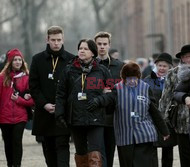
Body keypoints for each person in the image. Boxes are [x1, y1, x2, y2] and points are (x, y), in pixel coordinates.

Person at [87, 62, 170, 167]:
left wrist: (164, 131)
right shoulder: (117, 89)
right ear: (124, 78)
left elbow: (154, 111)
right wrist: (98, 101)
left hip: (145, 135)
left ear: (138, 77)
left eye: (134, 78)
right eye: (128, 78)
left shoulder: (145, 88)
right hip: (125, 137)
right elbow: (108, 100)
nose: (131, 81)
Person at [55, 38, 111, 167]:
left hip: (95, 117)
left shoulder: (102, 71)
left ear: (93, 53)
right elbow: (61, 94)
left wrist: (100, 100)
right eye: (80, 48)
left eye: (86, 49)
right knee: (80, 152)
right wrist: (59, 113)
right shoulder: (69, 70)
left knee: (95, 152)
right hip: (76, 117)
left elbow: (112, 93)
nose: (82, 51)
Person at [29, 26, 74, 167]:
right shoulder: (37, 59)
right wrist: (44, 104)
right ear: (47, 40)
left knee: (62, 147)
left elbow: (74, 86)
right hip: (44, 113)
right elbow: (33, 86)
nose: (56, 43)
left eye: (59, 40)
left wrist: (61, 106)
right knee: (48, 150)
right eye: (53, 40)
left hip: (63, 113)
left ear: (63, 39)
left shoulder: (71, 60)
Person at [159, 44, 190, 167]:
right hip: (180, 119)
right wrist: (162, 120)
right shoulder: (173, 73)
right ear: (182, 58)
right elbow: (166, 97)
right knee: (185, 156)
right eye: (187, 56)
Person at [94, 31, 124, 167]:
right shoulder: (89, 65)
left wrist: (112, 92)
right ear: (95, 45)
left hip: (113, 116)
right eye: (99, 44)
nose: (102, 47)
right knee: (96, 154)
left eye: (104, 44)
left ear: (109, 45)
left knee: (110, 151)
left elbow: (124, 89)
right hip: (94, 115)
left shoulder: (119, 66)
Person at [0, 48, 34, 167]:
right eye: (15, 60)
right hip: (4, 116)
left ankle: (17, 165)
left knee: (17, 141)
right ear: (10, 62)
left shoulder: (27, 77)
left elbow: (32, 100)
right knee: (8, 143)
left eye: (20, 59)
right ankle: (10, 164)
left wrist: (19, 100)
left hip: (21, 116)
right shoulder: (2, 77)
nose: (18, 62)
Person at [144, 53, 174, 167]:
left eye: (165, 66)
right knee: (152, 148)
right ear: (156, 65)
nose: (162, 68)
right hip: (152, 118)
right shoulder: (148, 80)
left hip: (168, 119)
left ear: (169, 67)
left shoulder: (173, 80)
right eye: (160, 65)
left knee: (168, 150)